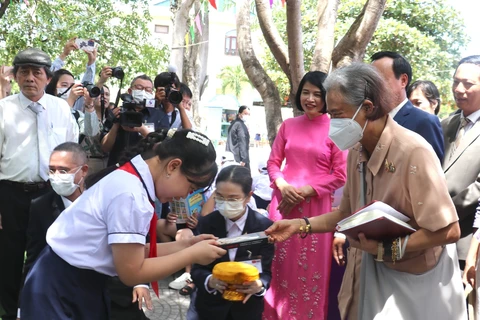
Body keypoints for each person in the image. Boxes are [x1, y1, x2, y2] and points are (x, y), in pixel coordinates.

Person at [266, 63, 466, 320]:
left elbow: (449, 230)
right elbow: (347, 213)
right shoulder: (357, 151)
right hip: (367, 273)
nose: (331, 124)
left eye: (337, 114)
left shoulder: (413, 151)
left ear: (368, 108)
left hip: (413, 283)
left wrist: (385, 249)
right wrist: (300, 225)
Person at [20, 129, 227, 319]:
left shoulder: (131, 180)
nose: (185, 195)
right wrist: (191, 255)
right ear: (173, 166)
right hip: (61, 287)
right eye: (190, 187)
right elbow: (132, 272)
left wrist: (187, 245)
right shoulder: (131, 195)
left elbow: (132, 252)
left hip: (71, 280)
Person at [0, 48, 79, 320]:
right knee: (9, 257)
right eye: (24, 72)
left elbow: (72, 149)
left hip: (50, 193)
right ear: (16, 75)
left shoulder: (60, 109)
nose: (30, 78)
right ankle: (12, 311)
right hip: (9, 195)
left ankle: (38, 308)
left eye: (37, 73)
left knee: (46, 254)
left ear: (48, 78)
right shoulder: (3, 109)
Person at [263, 71, 347, 320]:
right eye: (306, 92)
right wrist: (282, 184)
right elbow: (273, 163)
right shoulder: (288, 125)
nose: (310, 99)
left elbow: (340, 175)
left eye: (317, 94)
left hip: (315, 211)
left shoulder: (337, 129)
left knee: (310, 272)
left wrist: (306, 191)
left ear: (327, 98)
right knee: (279, 268)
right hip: (283, 204)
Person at [188, 165, 274, 320]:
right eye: (220, 197)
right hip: (208, 308)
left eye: (233, 199)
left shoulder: (263, 228)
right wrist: (210, 281)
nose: (225, 203)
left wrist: (259, 286)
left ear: (249, 196)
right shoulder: (207, 223)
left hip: (245, 309)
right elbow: (196, 269)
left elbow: (266, 272)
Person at [370, 51, 444, 161]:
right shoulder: (370, 119)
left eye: (380, 80)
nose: (374, 86)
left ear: (403, 80)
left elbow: (432, 172)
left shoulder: (425, 121)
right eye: (370, 81)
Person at [445, 55, 480, 284]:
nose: (459, 89)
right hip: (433, 241)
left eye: (468, 84)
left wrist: (440, 214)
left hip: (466, 243)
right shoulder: (445, 124)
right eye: (456, 82)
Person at [101, 74, 170, 166]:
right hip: (116, 167)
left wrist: (142, 129)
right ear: (130, 91)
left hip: (145, 168)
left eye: (148, 90)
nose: (143, 92)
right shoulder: (117, 112)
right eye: (139, 88)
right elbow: (105, 148)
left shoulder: (159, 115)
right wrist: (116, 124)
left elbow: (163, 148)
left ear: (152, 93)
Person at [44, 68, 100, 141]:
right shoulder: (44, 108)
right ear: (53, 88)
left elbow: (91, 132)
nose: (70, 89)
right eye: (64, 85)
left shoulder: (77, 114)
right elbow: (57, 127)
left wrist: (89, 105)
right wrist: (71, 99)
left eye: (72, 85)